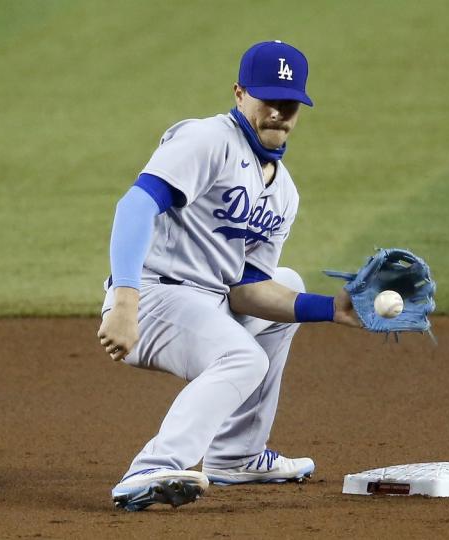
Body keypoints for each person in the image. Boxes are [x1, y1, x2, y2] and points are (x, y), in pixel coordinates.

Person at [97, 40, 360, 512]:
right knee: (244, 359)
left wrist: (332, 309)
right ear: (239, 94)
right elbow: (134, 206)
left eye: (289, 103)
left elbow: (247, 291)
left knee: (291, 282)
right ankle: (151, 467)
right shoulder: (207, 140)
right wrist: (124, 301)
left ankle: (236, 455)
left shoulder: (285, 193)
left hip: (209, 302)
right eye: (267, 99)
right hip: (156, 300)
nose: (278, 113)